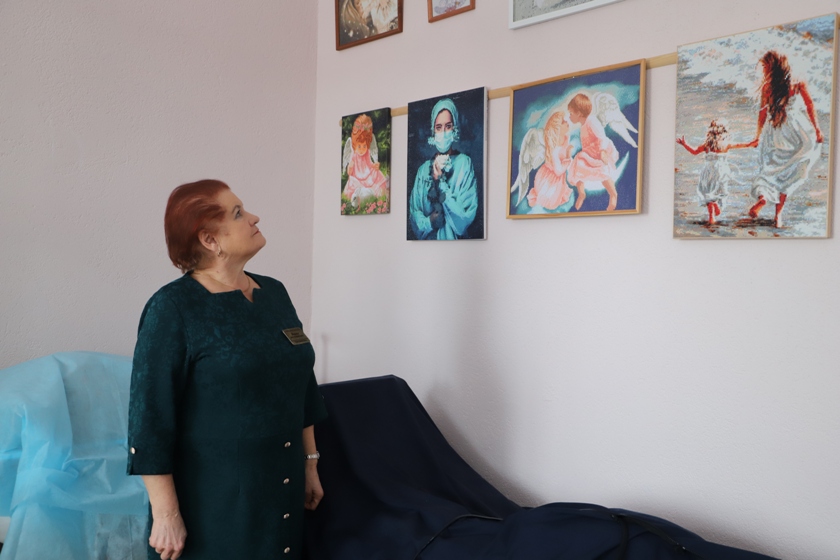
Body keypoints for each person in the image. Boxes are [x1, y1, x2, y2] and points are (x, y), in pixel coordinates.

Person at [127, 180, 327, 560]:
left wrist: (310, 464)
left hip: (281, 487)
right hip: (214, 504)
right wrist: (165, 514)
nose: (254, 217)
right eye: (238, 213)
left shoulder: (275, 293)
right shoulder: (172, 308)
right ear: (209, 239)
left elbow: (303, 385)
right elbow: (149, 419)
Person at [746, 50, 823, 228]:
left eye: (765, 67)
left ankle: (763, 198)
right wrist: (817, 129)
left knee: (769, 170)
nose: (763, 71)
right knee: (788, 175)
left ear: (771, 67)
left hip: (775, 132)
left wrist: (757, 136)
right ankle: (778, 216)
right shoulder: (797, 82)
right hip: (797, 132)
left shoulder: (767, 87)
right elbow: (810, 105)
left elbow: (762, 114)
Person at [409, 98, 478, 240]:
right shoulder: (423, 171)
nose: (443, 132)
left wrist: (441, 183)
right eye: (438, 127)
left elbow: (463, 220)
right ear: (433, 131)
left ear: (455, 129)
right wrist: (430, 222)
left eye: (448, 126)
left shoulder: (464, 164)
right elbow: (414, 214)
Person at [676, 119, 754, 225]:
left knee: (707, 192)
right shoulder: (726, 144)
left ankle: (711, 217)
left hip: (708, 171)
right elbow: (743, 145)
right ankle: (715, 205)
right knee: (718, 191)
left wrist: (685, 144)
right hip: (722, 171)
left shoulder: (707, 144)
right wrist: (753, 143)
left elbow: (694, 151)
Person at [567, 93, 619, 211]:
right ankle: (581, 193)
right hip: (589, 155)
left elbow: (602, 136)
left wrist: (603, 151)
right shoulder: (582, 126)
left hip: (599, 152)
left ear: (579, 113)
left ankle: (613, 194)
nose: (569, 116)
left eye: (571, 113)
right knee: (577, 166)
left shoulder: (591, 121)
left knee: (603, 173)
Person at [528, 111, 573, 211]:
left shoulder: (566, 138)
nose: (567, 122)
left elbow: (564, 157)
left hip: (559, 175)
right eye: (563, 122)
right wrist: (568, 158)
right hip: (549, 178)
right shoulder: (555, 150)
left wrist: (568, 156)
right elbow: (558, 171)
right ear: (557, 129)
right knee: (550, 201)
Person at [342, 113, 389, 211]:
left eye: (364, 146)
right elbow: (349, 171)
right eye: (359, 146)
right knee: (355, 187)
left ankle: (367, 195)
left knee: (377, 184)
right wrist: (350, 167)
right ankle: (357, 198)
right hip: (357, 177)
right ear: (355, 145)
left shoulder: (367, 151)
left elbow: (373, 162)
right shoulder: (354, 154)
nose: (362, 149)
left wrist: (376, 165)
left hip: (368, 174)